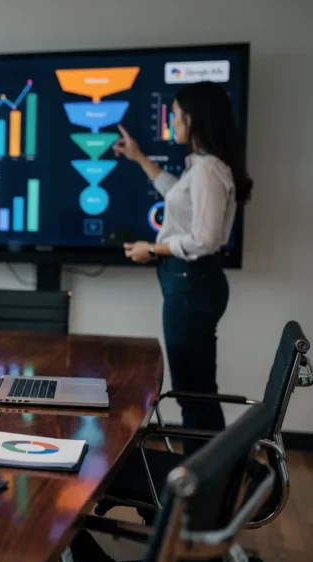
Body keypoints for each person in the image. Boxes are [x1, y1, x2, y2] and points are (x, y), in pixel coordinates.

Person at [112, 81, 252, 433]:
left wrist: (153, 249)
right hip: (193, 284)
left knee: (195, 397)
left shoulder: (207, 169)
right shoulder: (203, 167)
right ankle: (212, 478)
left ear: (193, 119)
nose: (171, 121)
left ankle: (204, 483)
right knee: (199, 393)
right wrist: (139, 158)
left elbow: (203, 239)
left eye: (174, 114)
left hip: (191, 284)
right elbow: (177, 195)